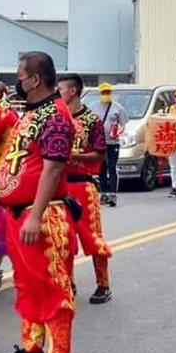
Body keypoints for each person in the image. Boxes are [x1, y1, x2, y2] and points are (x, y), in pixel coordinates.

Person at [0, 52, 77, 353]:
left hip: (42, 215)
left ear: (36, 79)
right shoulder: (30, 114)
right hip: (17, 214)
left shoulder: (55, 115)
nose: (19, 80)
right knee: (27, 284)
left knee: (53, 286)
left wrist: (35, 214)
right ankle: (32, 347)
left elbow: (54, 168)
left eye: (21, 75)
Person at [58, 74, 112, 305]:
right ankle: (68, 283)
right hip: (60, 185)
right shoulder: (57, 119)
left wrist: (74, 155)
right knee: (63, 238)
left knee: (92, 238)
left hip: (83, 183)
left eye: (60, 89)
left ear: (72, 91)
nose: (58, 93)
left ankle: (103, 284)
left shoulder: (92, 120)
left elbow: (100, 153)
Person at [92, 83, 128, 207]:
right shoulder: (93, 107)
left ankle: (113, 194)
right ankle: (104, 193)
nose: (106, 95)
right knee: (101, 168)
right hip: (99, 142)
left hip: (113, 142)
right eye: (103, 93)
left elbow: (123, 125)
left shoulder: (118, 108)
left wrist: (119, 131)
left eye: (108, 92)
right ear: (100, 94)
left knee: (112, 167)